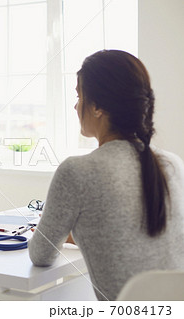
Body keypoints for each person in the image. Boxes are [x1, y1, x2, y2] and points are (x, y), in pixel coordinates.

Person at [28, 50, 184, 301]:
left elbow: (41, 255)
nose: (76, 105)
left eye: (79, 96)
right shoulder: (172, 164)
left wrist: (62, 231)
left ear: (98, 106)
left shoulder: (77, 171)